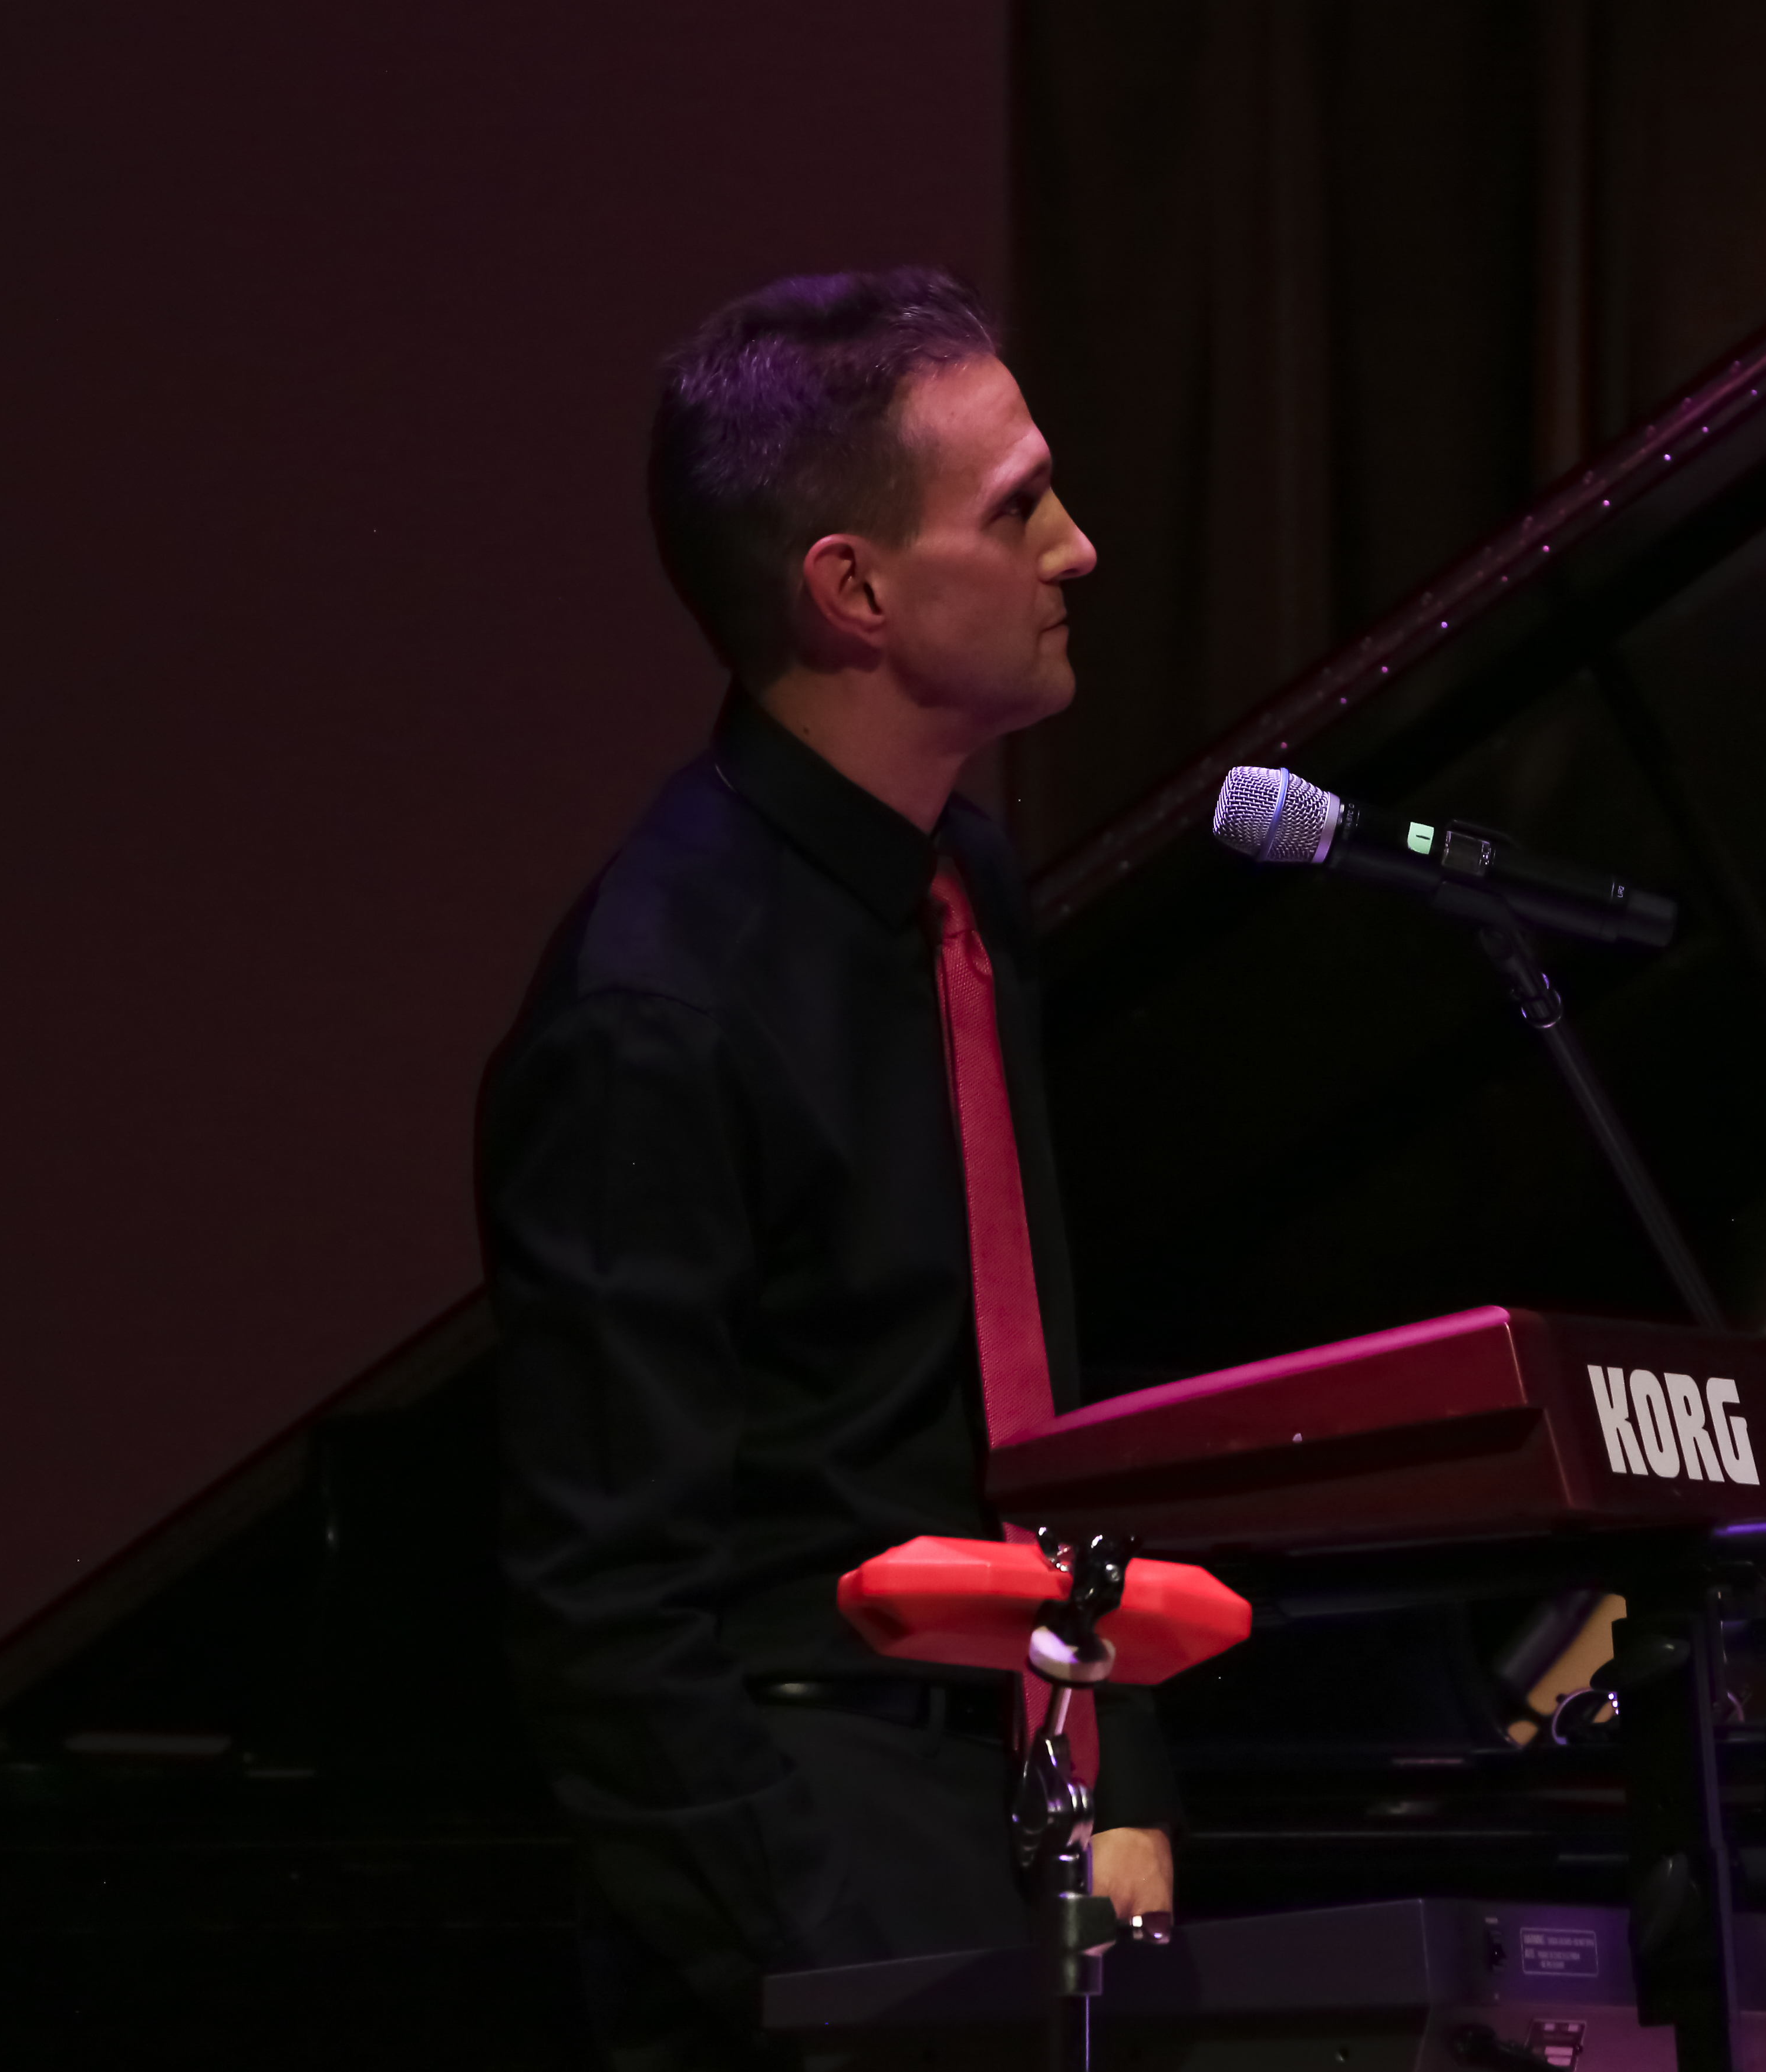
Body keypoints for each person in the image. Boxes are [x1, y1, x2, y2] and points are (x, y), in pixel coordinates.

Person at [479, 268, 1174, 2072]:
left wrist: (1129, 1774)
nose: (1079, 548)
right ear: (852, 593)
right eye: (1019, 507)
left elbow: (1038, 1402)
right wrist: (812, 1964)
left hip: (1016, 1802)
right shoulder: (658, 1003)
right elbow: (612, 1604)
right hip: (829, 1866)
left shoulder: (967, 888)